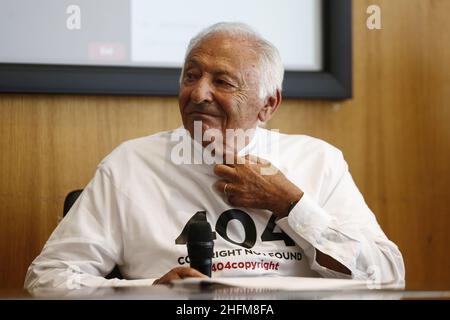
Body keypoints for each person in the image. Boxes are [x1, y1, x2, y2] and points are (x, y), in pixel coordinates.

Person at [24, 22, 404, 290]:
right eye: (191, 76)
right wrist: (149, 291)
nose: (198, 93)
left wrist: (290, 204)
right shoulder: (130, 164)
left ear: (267, 105)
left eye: (222, 82)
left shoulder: (318, 161)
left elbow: (386, 276)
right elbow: (49, 276)